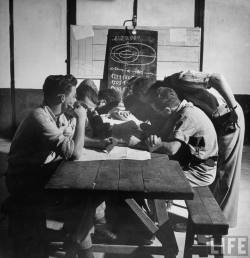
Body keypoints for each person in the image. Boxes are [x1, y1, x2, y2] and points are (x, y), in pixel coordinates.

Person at [5, 74, 99, 258]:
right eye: (73, 96)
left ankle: (77, 240)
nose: (76, 101)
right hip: (24, 182)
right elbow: (74, 152)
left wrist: (100, 143)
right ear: (63, 98)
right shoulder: (39, 118)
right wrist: (80, 119)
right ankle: (81, 244)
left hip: (41, 173)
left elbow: (72, 141)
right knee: (84, 197)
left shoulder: (57, 114)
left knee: (87, 193)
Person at [159, 71, 245, 227]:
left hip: (229, 119)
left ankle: (215, 223)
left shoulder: (180, 79)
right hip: (216, 120)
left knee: (223, 172)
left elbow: (218, 78)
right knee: (207, 163)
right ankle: (202, 218)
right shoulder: (180, 100)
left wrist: (233, 108)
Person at [145, 86, 218, 187]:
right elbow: (164, 135)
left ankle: (164, 200)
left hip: (200, 172)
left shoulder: (187, 115)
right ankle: (165, 200)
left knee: (152, 178)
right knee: (153, 168)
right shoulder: (182, 109)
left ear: (167, 109)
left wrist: (155, 144)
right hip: (193, 162)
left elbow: (172, 149)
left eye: (156, 111)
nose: (156, 114)